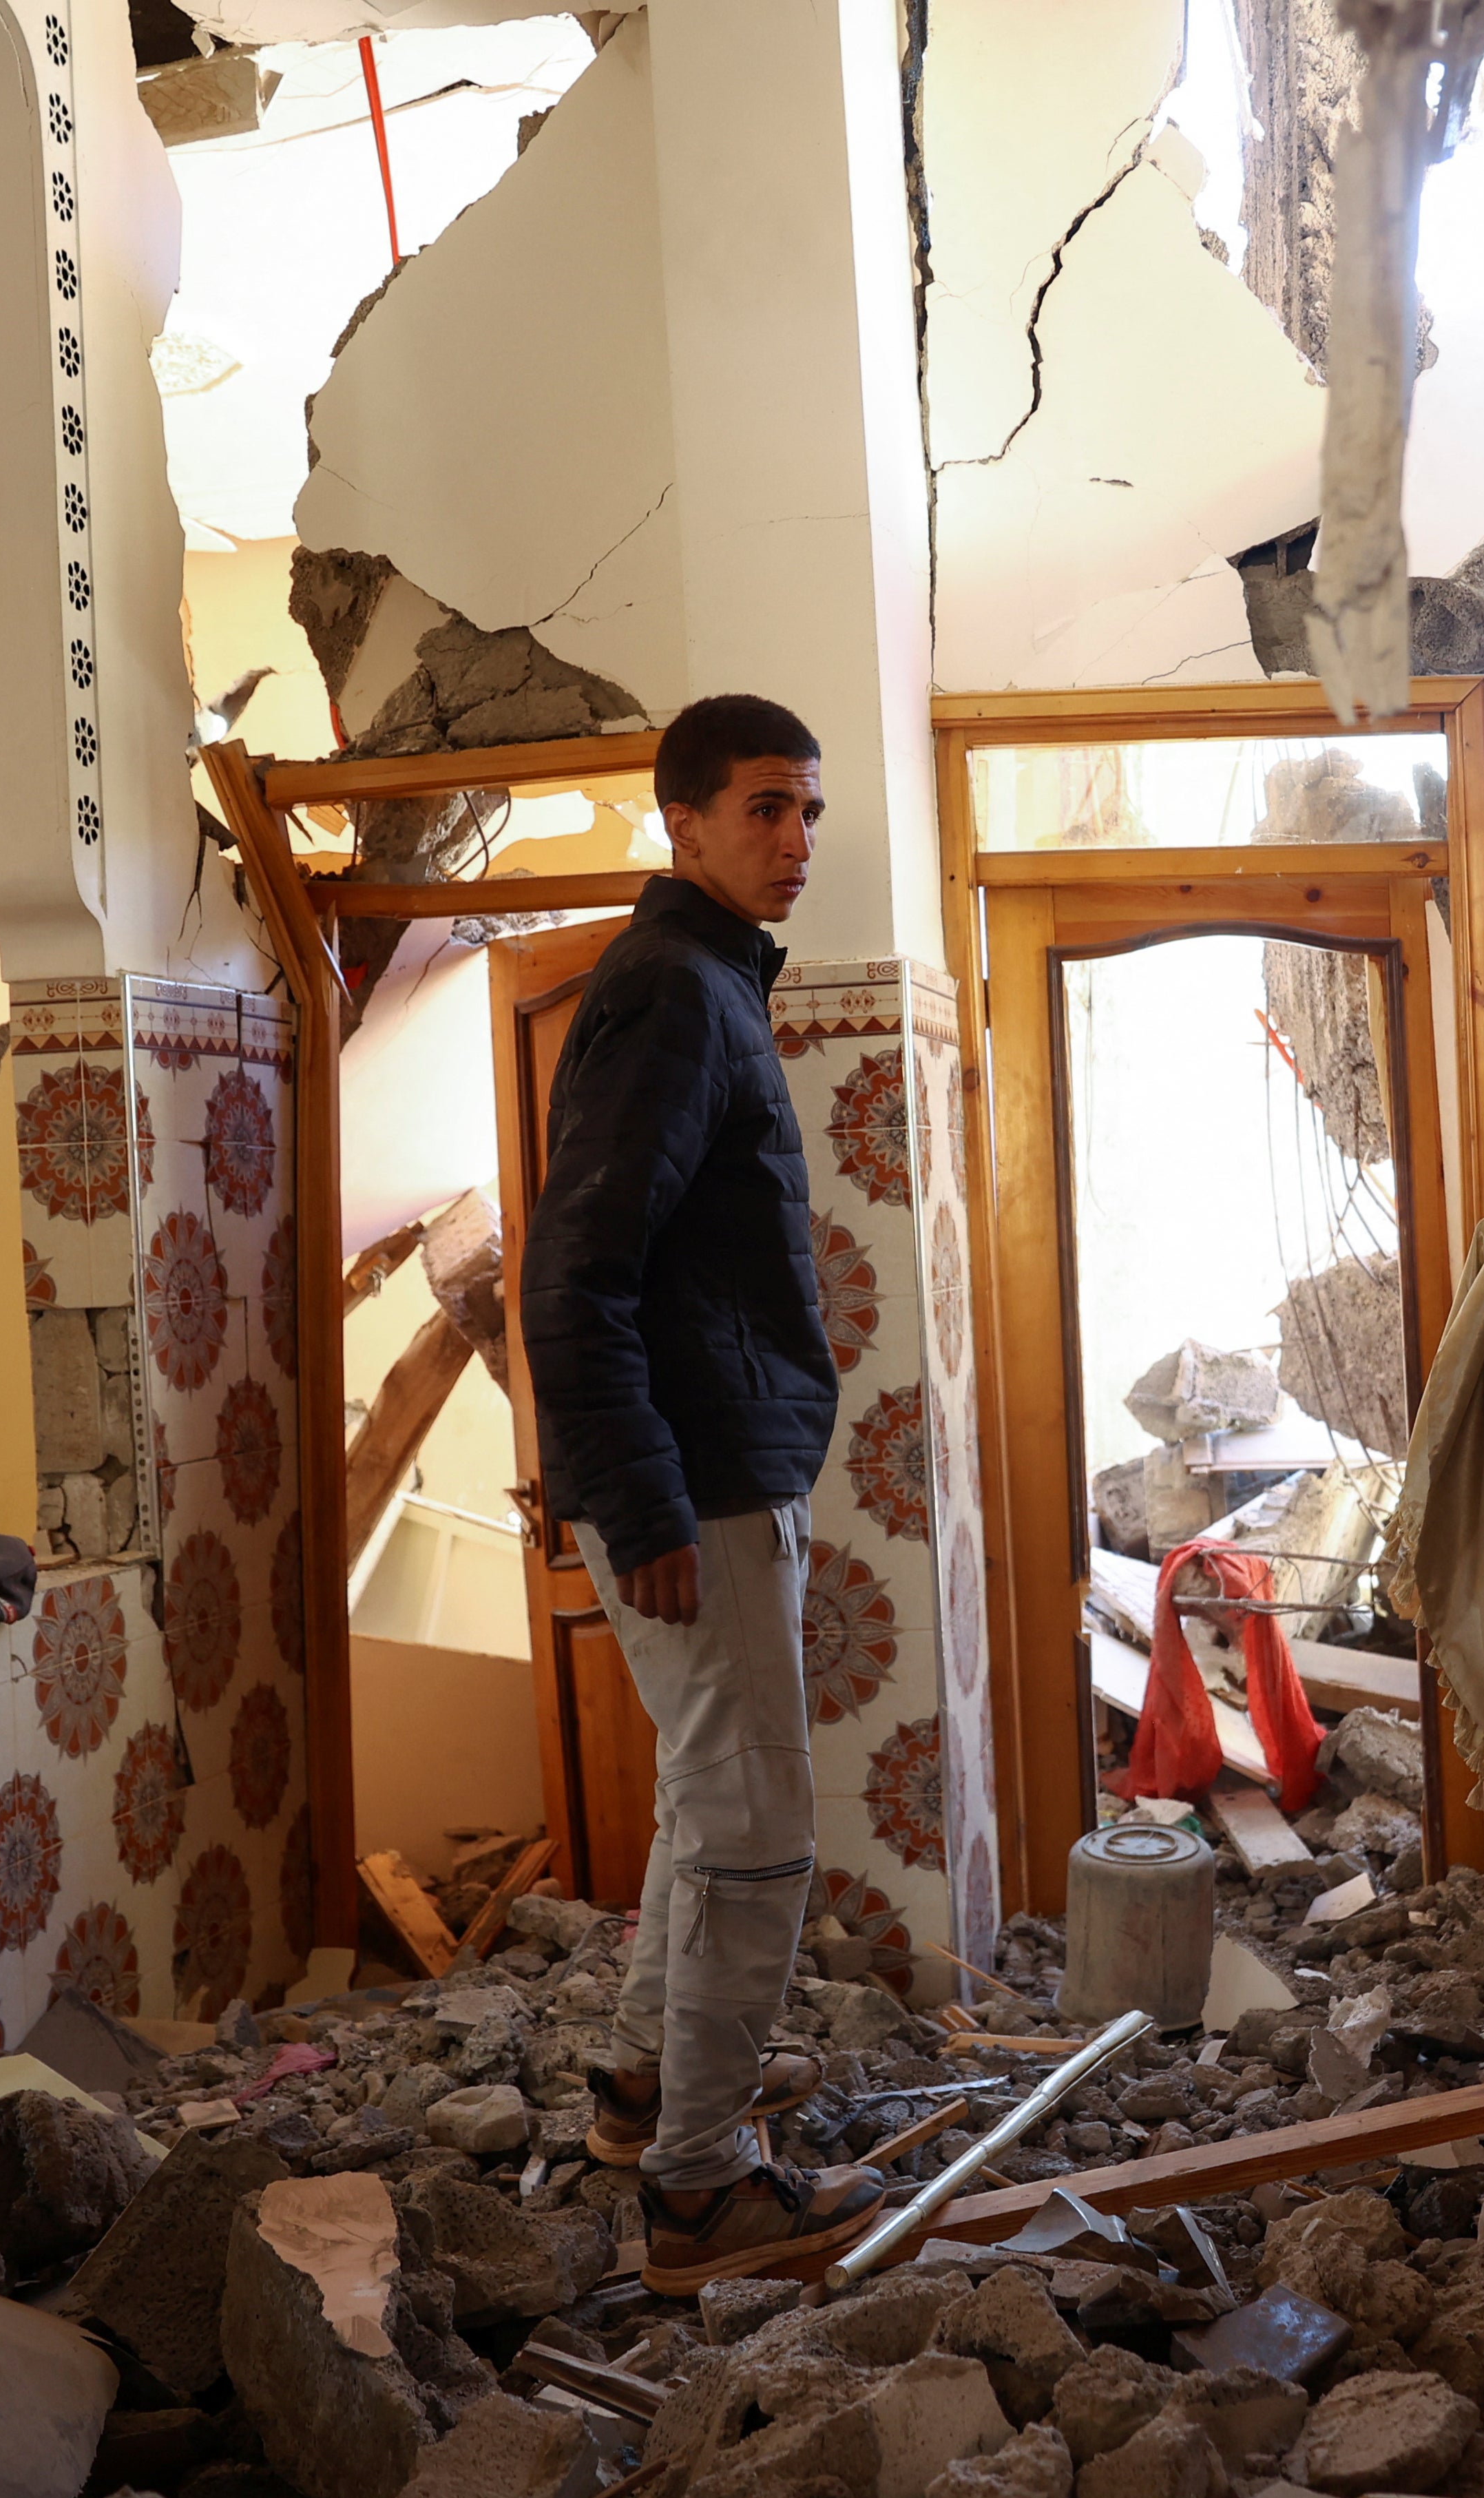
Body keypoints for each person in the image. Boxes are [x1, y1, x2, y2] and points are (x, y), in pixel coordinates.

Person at [521, 691, 890, 2289]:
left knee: (704, 1791)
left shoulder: (701, 981)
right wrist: (650, 1503)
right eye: (763, 809)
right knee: (757, 1823)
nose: (795, 839)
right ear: (678, 820)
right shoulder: (675, 990)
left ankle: (641, 2092)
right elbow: (574, 1274)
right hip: (695, 1486)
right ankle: (695, 2189)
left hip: (714, 1466)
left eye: (807, 809)